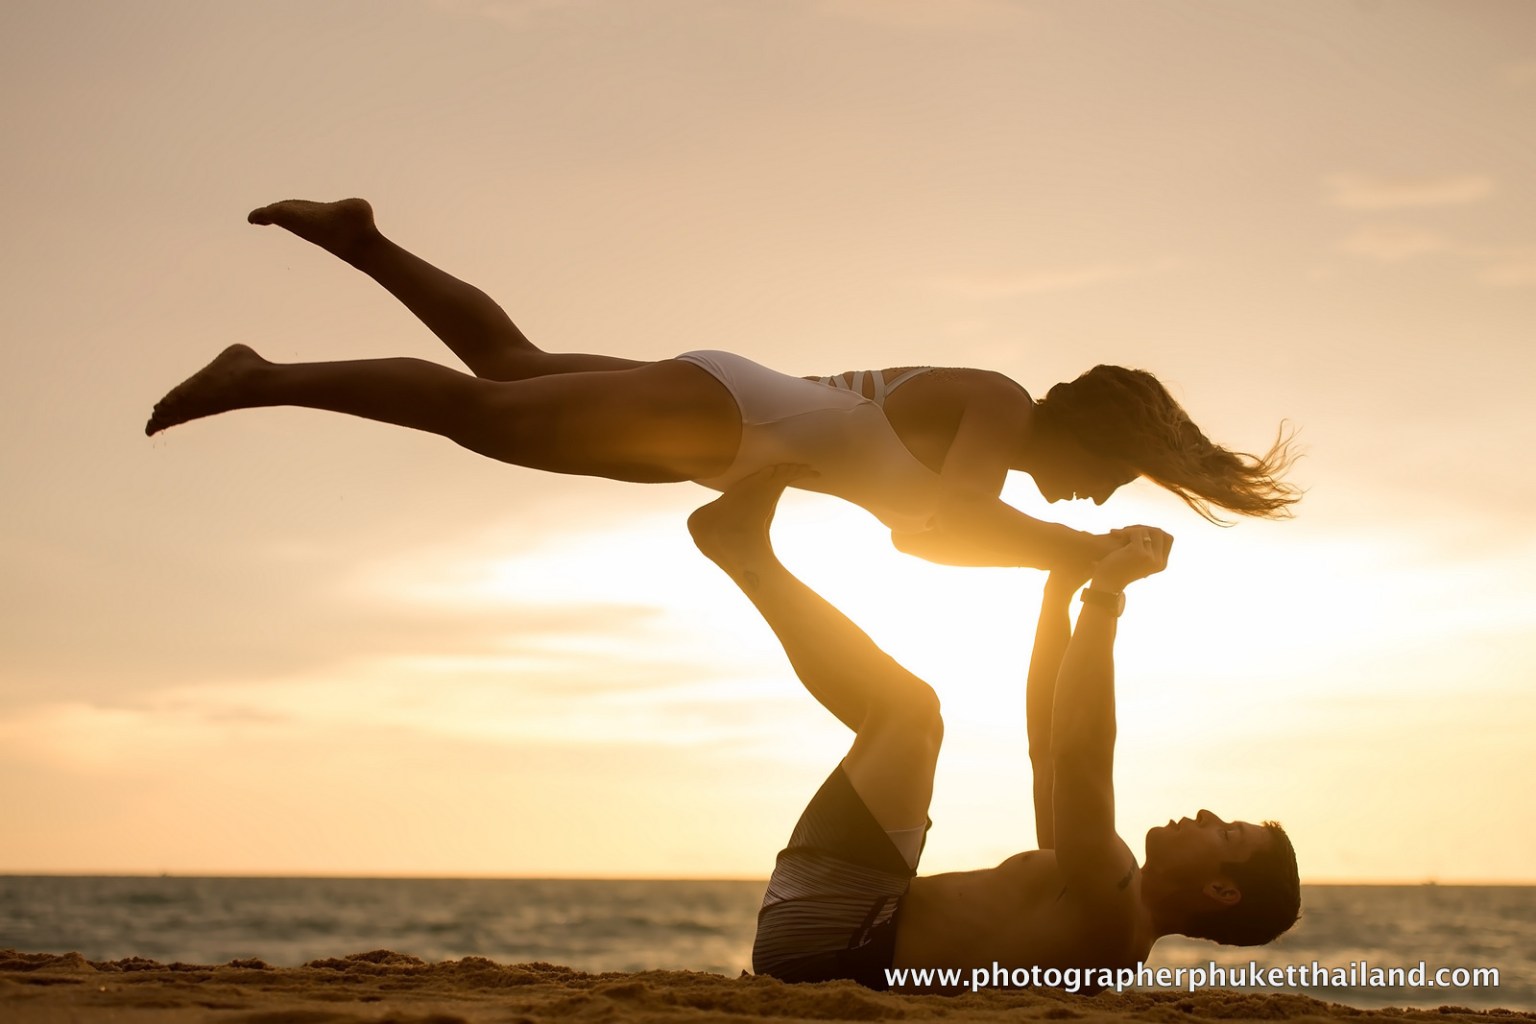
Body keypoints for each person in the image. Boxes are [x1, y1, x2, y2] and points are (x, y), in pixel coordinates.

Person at [146, 198, 1299, 571]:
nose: (1103, 494)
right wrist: (1082, 555)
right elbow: (945, 529)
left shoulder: (987, 439)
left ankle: (362, 240)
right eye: (1119, 476)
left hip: (727, 419)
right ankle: (263, 375)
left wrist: (1070, 554)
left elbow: (926, 541)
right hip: (729, 415)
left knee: (508, 367)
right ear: (1094, 434)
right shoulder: (1002, 406)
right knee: (484, 415)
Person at [685, 464, 1299, 992]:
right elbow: (1048, 750)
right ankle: (741, 549)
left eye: (1228, 834)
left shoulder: (1114, 907)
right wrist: (1060, 593)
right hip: (843, 928)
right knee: (897, 718)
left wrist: (1107, 595)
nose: (1207, 815)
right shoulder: (1102, 893)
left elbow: (1083, 754)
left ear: (1222, 892)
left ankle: (742, 548)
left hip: (837, 936)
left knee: (909, 712)